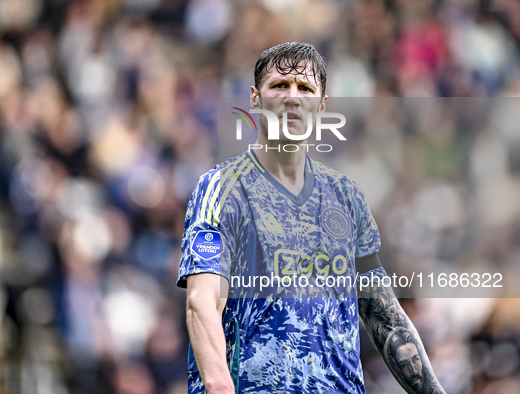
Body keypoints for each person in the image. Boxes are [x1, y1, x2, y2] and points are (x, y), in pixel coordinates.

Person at [177, 42, 445, 393]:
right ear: (255, 99)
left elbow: (383, 316)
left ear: (321, 106)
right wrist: (219, 385)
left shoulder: (345, 198)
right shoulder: (222, 189)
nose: (292, 97)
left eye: (304, 88)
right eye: (279, 86)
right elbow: (202, 300)